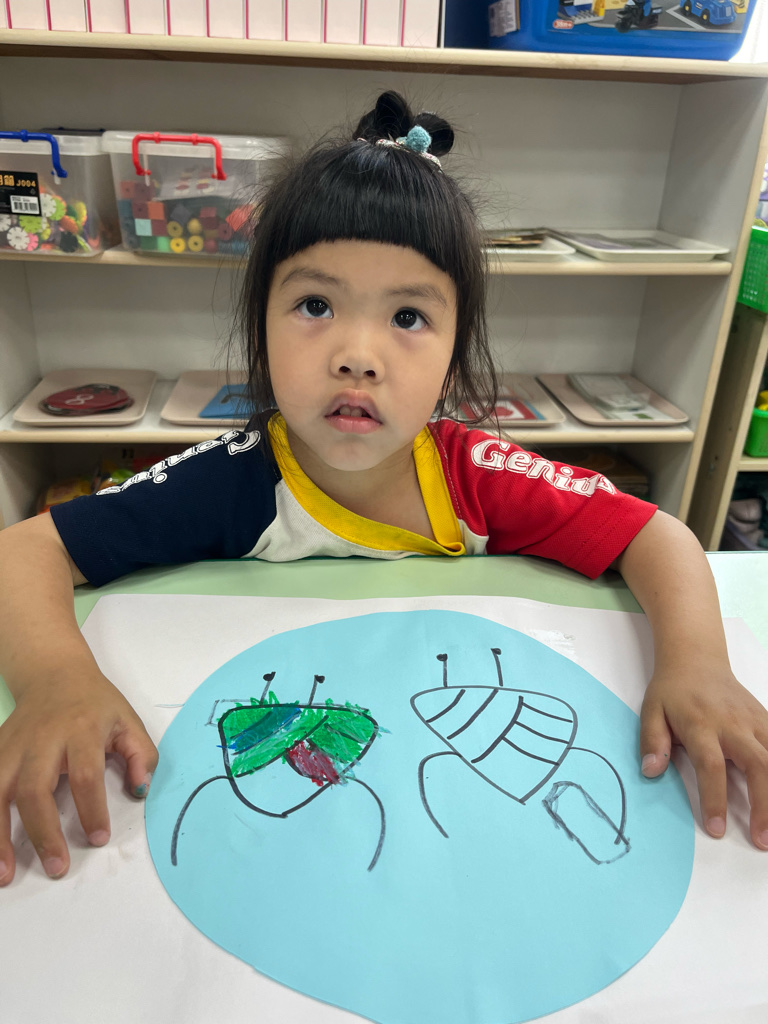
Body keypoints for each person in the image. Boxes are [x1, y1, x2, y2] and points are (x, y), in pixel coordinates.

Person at [0, 91, 766, 887]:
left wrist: (699, 665)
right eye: (315, 305)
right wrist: (56, 680)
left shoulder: (476, 477)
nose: (357, 355)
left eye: (407, 317)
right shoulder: (232, 481)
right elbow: (25, 554)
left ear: (455, 356)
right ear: (259, 326)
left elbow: (653, 533)